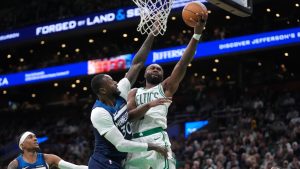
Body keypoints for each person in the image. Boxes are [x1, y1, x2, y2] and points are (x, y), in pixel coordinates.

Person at [125, 14, 207, 169]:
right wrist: (148, 105)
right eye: (152, 67)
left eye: (159, 69)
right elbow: (128, 116)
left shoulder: (165, 88)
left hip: (157, 138)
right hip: (135, 144)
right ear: (145, 73)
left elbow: (183, 63)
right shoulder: (134, 92)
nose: (155, 69)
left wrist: (196, 34)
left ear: (163, 76)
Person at [89, 33, 168, 169]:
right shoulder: (99, 113)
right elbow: (120, 144)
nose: (115, 83)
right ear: (103, 91)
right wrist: (152, 146)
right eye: (111, 82)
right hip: (103, 162)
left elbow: (137, 64)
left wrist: (151, 35)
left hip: (120, 160)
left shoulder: (119, 92)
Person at [7, 131, 87, 169]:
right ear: (22, 145)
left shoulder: (48, 158)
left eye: (35, 137)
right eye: (30, 137)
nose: (35, 139)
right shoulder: (14, 164)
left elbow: (75, 168)